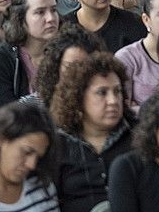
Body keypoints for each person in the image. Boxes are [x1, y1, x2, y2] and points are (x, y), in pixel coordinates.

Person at [50, 51, 135, 212]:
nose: (113, 101)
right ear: (78, 97)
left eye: (117, 91)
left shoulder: (139, 135)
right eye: (102, 92)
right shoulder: (58, 144)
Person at [0, 0, 60, 111]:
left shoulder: (66, 52)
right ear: (20, 19)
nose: (50, 18)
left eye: (54, 10)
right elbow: (3, 118)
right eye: (40, 12)